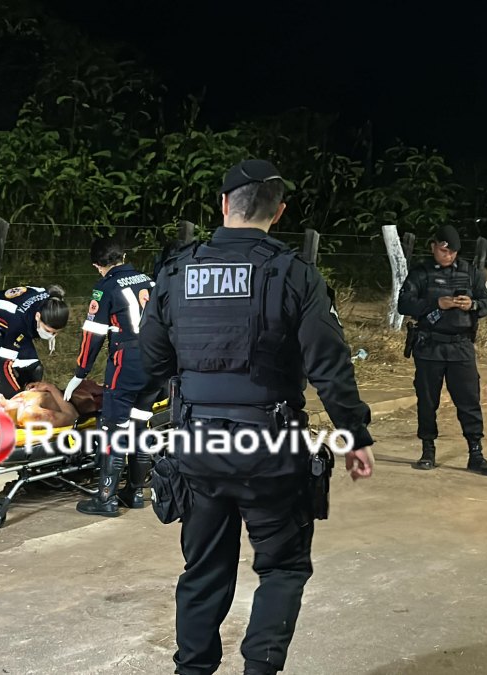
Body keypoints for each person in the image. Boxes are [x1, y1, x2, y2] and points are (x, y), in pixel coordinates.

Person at [133, 159, 376, 675]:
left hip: (196, 445)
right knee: (283, 567)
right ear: (279, 212)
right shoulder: (294, 273)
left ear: (223, 206)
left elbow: (148, 363)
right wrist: (354, 434)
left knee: (202, 571)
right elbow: (329, 365)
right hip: (269, 446)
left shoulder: (175, 273)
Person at [64, 237, 157, 515]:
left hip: (126, 362)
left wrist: (80, 373)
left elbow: (93, 335)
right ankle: (136, 492)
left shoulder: (104, 288)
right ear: (124, 255)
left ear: (97, 266)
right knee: (141, 423)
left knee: (113, 428)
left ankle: (106, 498)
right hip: (156, 361)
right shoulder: (150, 281)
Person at [397, 224, 487, 476]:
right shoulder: (420, 274)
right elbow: (403, 303)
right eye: (444, 251)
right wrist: (435, 302)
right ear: (434, 246)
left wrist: (472, 304)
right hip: (429, 345)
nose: (448, 256)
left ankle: (476, 453)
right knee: (427, 401)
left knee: (469, 400)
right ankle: (427, 450)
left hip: (461, 346)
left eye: (452, 252)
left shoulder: (471, 273)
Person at [0, 285, 70, 397]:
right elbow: (4, 363)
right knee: (2, 379)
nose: (51, 335)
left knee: (34, 370)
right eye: (48, 331)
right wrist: (18, 395)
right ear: (38, 316)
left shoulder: (52, 301)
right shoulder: (18, 321)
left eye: (56, 332)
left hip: (10, 322)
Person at [0, 381, 79, 429]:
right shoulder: (29, 415)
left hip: (73, 396)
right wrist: (51, 388)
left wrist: (39, 386)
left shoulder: (16, 399)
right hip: (82, 405)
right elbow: (73, 418)